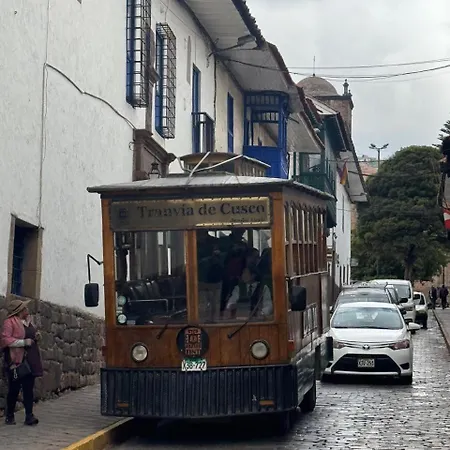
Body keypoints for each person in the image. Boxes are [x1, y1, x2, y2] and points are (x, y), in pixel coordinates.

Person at [1, 299, 43, 425]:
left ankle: (29, 416)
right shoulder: (9, 323)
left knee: (28, 388)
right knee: (14, 389)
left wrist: (36, 337)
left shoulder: (29, 322)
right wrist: (23, 342)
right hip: (16, 361)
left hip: (30, 359)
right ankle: (10, 415)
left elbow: (31, 336)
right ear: (19, 310)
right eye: (25, 308)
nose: (27, 310)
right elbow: (5, 340)